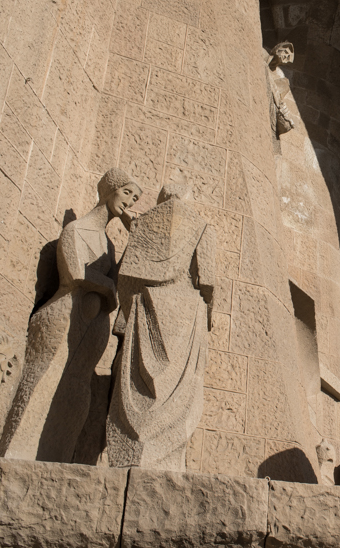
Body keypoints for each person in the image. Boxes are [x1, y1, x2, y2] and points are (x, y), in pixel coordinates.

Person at [0, 168, 141, 462]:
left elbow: (118, 286)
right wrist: (108, 287)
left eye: (135, 197)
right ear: (109, 189)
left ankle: (58, 455)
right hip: (64, 317)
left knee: (77, 390)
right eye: (127, 192)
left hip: (91, 328)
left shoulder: (109, 245)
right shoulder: (76, 230)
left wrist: (134, 244)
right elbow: (76, 274)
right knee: (44, 381)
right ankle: (15, 454)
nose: (130, 202)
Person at [106, 183, 215, 471]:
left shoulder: (145, 225)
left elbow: (126, 278)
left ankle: (129, 455)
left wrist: (128, 314)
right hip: (185, 309)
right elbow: (208, 281)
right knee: (178, 393)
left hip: (145, 305)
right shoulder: (201, 226)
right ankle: (164, 463)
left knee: (137, 383)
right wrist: (208, 314)